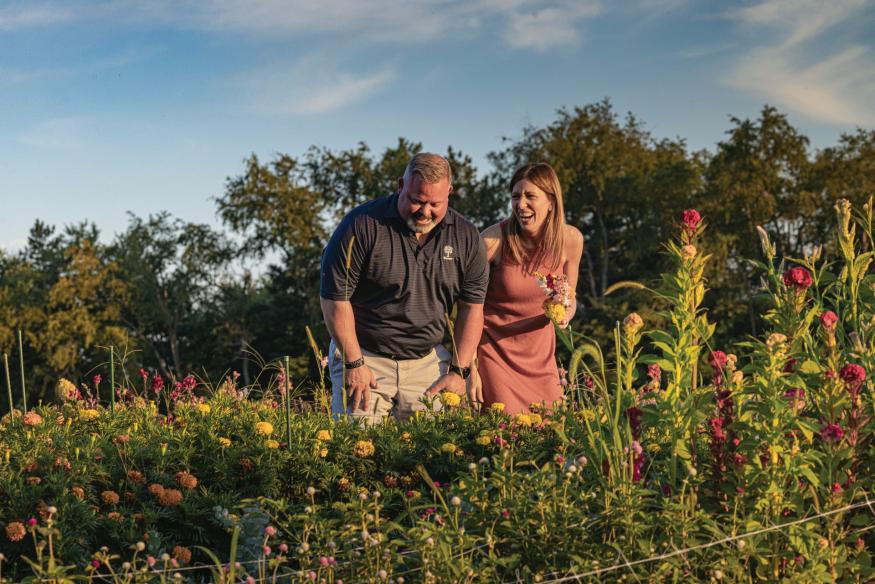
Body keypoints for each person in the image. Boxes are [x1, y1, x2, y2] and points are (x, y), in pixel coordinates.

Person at [320, 153, 488, 423]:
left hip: (427, 363)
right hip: (365, 357)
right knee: (356, 451)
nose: (425, 212)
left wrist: (459, 371)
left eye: (435, 203)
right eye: (416, 201)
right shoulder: (361, 225)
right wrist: (353, 362)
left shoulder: (466, 237)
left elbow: (472, 308)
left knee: (428, 454)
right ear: (401, 186)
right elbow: (334, 300)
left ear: (450, 193)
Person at [470, 162, 583, 414]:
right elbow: (464, 303)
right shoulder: (492, 240)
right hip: (495, 357)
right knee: (507, 440)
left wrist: (565, 313)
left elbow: (570, 298)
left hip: (542, 362)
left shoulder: (571, 241)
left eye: (530, 196)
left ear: (551, 202)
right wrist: (469, 368)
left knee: (553, 441)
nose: (521, 205)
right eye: (515, 196)